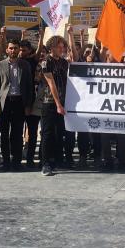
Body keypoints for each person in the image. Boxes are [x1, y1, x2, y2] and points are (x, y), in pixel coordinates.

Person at [0, 39, 34, 171]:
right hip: (5, 103)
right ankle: (6, 161)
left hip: (19, 103)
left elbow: (29, 86)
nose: (13, 50)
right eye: (11, 48)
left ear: (19, 49)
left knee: (17, 134)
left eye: (15, 48)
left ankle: (16, 161)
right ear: (7, 50)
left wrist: (28, 105)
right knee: (4, 134)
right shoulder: (0, 65)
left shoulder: (25, 64)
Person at [39, 35, 69, 176]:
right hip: (49, 102)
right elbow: (51, 83)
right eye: (59, 46)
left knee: (60, 133)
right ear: (52, 47)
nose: (61, 49)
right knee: (47, 133)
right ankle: (45, 163)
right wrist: (58, 104)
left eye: (63, 46)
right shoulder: (46, 62)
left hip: (63, 102)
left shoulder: (64, 62)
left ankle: (58, 160)